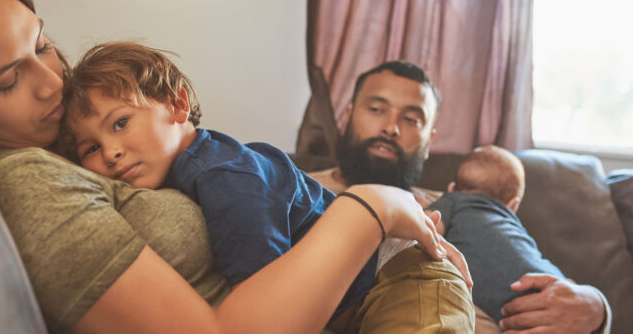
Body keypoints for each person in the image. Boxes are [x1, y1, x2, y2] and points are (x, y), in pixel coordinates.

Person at [0, 0, 464, 334]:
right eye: (9, 80)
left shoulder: (64, 142)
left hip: (360, 272)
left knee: (470, 219)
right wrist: (374, 207)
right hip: (361, 252)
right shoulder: (25, 185)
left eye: (42, 44)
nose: (52, 80)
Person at [57, 41, 474, 332]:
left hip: (403, 276)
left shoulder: (222, 175)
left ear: (177, 104)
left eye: (120, 122)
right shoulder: (195, 167)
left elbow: (269, 295)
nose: (110, 152)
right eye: (91, 147)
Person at [309, 60, 611, 334]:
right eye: (376, 110)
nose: (391, 128)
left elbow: (526, 261)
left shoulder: (460, 203)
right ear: (347, 117)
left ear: (430, 141)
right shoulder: (298, 192)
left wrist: (597, 308)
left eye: (412, 119)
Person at [427, 145, 565, 324]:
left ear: (451, 189)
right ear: (513, 206)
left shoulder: (453, 200)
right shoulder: (512, 226)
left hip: (507, 307)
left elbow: (426, 226)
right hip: (550, 286)